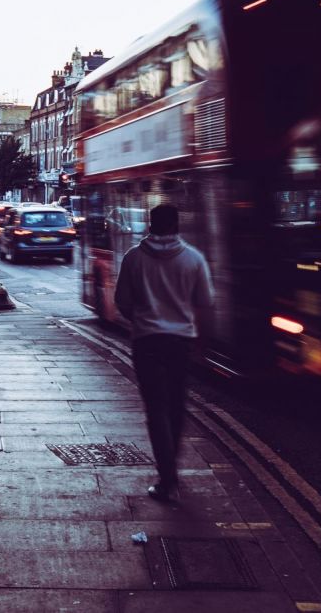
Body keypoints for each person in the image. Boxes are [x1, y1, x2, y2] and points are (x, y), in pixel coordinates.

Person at [114, 203, 214, 502]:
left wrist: (142, 321)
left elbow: (122, 301)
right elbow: (204, 303)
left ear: (150, 225)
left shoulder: (133, 258)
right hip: (180, 342)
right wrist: (199, 340)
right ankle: (172, 471)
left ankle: (166, 477)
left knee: (155, 409)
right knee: (176, 406)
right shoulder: (194, 259)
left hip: (147, 342)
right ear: (177, 226)